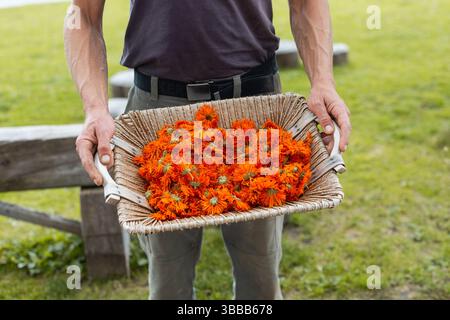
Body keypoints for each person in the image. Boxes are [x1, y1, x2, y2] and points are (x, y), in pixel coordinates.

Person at [64, 0, 351, 299]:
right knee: (167, 278)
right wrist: (95, 109)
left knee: (260, 275)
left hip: (254, 106)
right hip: (156, 112)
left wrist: (323, 82)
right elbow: (82, 13)